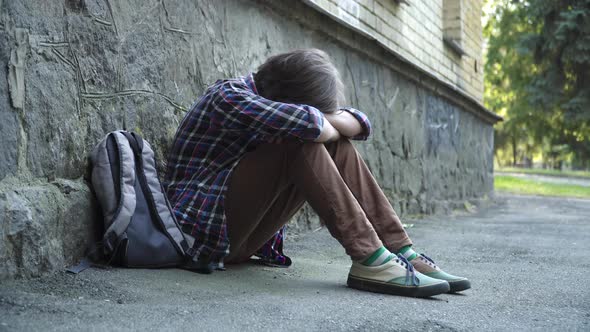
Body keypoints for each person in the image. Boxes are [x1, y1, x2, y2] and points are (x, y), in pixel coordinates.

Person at [164, 49, 470, 298]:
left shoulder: (274, 99)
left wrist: (330, 119)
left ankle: (400, 250)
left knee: (338, 145)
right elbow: (312, 125)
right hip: (202, 239)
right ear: (287, 97)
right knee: (300, 143)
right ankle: (369, 258)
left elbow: (360, 122)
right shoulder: (228, 96)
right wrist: (326, 120)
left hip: (242, 240)